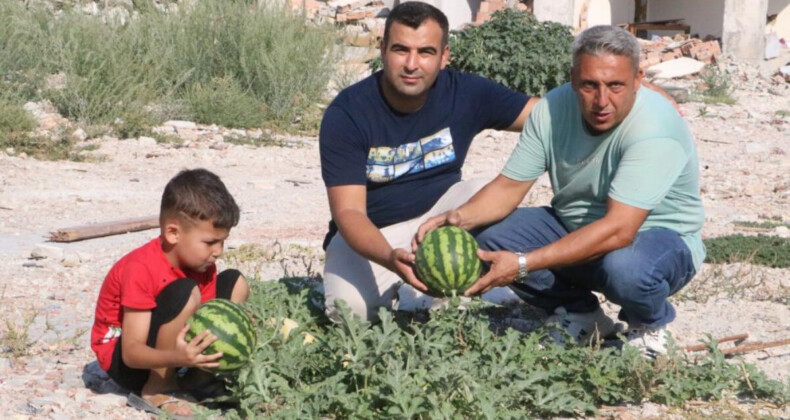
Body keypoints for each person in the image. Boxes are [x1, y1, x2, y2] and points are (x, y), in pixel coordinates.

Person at [415, 25, 705, 358]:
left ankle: (649, 326)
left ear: (638, 79)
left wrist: (523, 263)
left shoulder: (655, 127)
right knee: (487, 236)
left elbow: (620, 230)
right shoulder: (552, 109)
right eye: (589, 85)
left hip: (656, 241)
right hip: (578, 227)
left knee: (626, 268)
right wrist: (458, 218)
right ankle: (582, 314)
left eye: (615, 86)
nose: (601, 101)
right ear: (573, 77)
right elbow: (508, 188)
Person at [319, 1, 539, 322]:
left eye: (425, 51)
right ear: (382, 50)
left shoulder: (465, 93)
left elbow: (546, 118)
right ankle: (404, 287)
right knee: (349, 315)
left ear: (444, 56)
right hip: (372, 235)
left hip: (442, 217)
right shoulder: (348, 113)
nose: (411, 64)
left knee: (482, 193)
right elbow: (349, 212)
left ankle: (445, 287)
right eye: (400, 50)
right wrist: (390, 257)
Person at [90, 168, 249, 418]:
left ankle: (200, 378)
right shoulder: (140, 268)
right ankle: (159, 387)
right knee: (186, 292)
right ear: (173, 233)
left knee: (235, 281)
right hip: (127, 361)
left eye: (223, 241)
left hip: (173, 352)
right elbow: (131, 352)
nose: (219, 251)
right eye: (210, 242)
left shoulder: (202, 264)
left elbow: (207, 318)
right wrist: (177, 357)